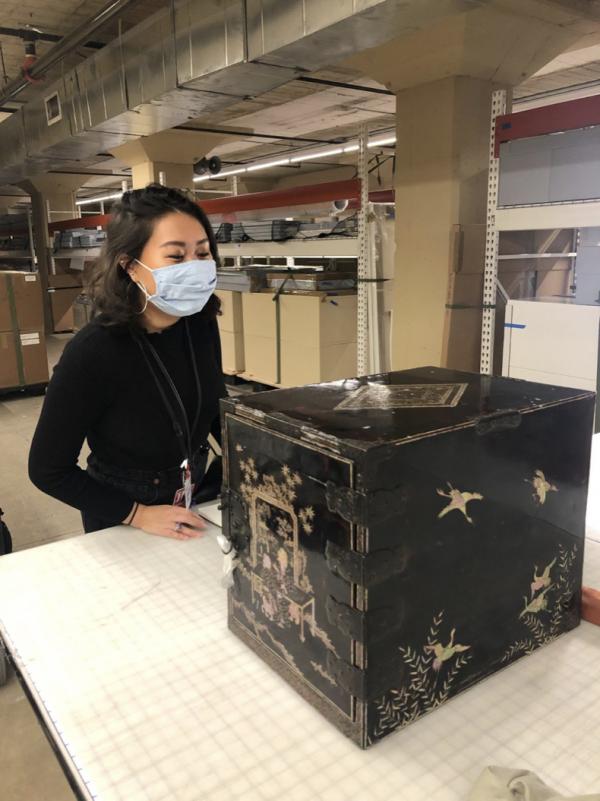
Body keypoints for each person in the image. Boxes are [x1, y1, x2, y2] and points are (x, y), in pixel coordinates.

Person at [28, 184, 227, 538]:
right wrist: (137, 514)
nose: (196, 267)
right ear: (131, 267)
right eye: (176, 257)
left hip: (195, 491)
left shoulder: (199, 324)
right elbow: (47, 469)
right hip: (124, 508)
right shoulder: (94, 352)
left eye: (203, 252)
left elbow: (214, 406)